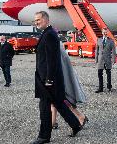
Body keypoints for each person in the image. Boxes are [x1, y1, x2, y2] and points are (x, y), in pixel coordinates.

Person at [31, 11, 82, 144]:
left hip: (49, 80)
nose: (36, 22)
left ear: (46, 20)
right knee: (59, 104)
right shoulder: (47, 33)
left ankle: (44, 136)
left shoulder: (50, 35)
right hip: (49, 78)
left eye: (38, 20)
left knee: (44, 108)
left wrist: (49, 79)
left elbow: (52, 60)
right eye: (35, 20)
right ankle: (75, 125)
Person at [51, 42, 88, 129]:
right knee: (54, 101)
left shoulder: (54, 46)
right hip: (60, 77)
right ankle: (53, 122)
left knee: (63, 100)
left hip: (58, 78)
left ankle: (80, 116)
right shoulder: (59, 45)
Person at [95, 27, 116, 93]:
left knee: (108, 74)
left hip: (108, 60)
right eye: (104, 32)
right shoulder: (98, 40)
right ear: (102, 32)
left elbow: (114, 51)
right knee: (99, 74)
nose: (105, 33)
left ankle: (109, 87)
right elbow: (96, 50)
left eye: (106, 32)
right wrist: (96, 59)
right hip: (100, 60)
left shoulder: (111, 41)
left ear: (107, 32)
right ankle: (100, 88)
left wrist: (113, 60)